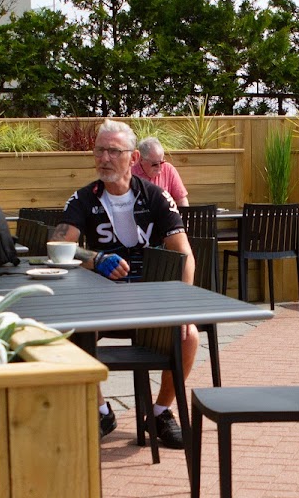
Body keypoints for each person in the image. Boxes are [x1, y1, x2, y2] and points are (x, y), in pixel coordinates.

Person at [52, 119, 196, 448]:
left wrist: (185, 307)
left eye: (113, 151)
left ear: (132, 158)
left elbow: (184, 255)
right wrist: (93, 259)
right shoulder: (83, 199)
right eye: (99, 150)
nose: (104, 158)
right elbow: (58, 247)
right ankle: (102, 410)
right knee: (64, 334)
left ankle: (159, 412)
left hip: (149, 299)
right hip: (101, 301)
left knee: (188, 336)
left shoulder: (157, 197)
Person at [132, 136, 189, 206]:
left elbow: (181, 200)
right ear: (141, 160)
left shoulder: (168, 169)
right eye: (155, 164)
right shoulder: (131, 172)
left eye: (161, 162)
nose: (159, 167)